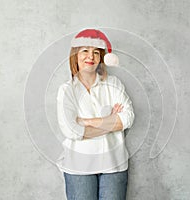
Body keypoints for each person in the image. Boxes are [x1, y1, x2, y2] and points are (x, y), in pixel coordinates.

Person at [56, 29, 135, 200]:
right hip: (78, 167)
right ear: (75, 55)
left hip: (114, 165)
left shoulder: (113, 84)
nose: (90, 56)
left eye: (96, 52)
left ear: (101, 58)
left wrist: (86, 121)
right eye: (85, 51)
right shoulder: (67, 90)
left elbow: (128, 118)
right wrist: (110, 123)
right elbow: (71, 131)